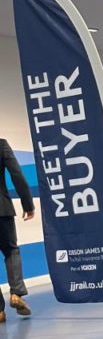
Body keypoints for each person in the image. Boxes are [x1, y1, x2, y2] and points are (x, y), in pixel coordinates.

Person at [0, 138, 35, 322]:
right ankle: (16, 293)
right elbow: (17, 175)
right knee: (11, 250)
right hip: (2, 210)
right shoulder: (1, 144)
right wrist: (28, 204)